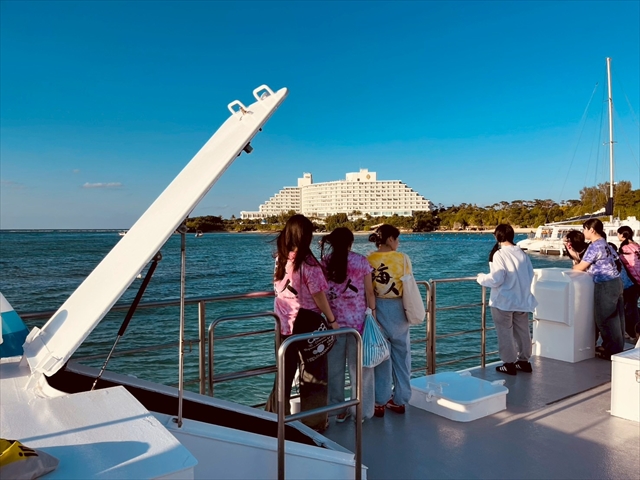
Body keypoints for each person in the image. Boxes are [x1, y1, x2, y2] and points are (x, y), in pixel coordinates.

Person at [264, 214, 338, 432]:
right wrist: (332, 320)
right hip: (307, 324)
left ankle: (277, 417)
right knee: (314, 375)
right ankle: (314, 423)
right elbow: (318, 295)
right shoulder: (308, 263)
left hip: (282, 323)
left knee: (284, 374)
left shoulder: (281, 258)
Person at [320, 227, 376, 422]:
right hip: (357, 325)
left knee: (334, 371)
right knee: (359, 371)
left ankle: (337, 410)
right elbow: (369, 292)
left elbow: (321, 292)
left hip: (333, 323)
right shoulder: (361, 261)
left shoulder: (325, 262)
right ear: (350, 243)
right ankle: (361, 412)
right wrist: (373, 315)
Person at [477, 224, 537, 375]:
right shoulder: (522, 254)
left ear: (497, 236)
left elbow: (497, 278)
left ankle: (509, 363)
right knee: (523, 332)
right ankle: (524, 361)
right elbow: (530, 275)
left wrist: (481, 278)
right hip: (522, 299)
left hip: (503, 301)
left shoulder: (499, 254)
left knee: (505, 333)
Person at [367, 224, 412, 417]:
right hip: (399, 308)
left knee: (381, 356)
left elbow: (368, 289)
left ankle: (379, 402)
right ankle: (401, 399)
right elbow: (408, 283)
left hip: (377, 308)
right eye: (397, 239)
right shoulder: (403, 258)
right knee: (402, 356)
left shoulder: (369, 259)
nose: (398, 243)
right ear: (391, 239)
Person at [569, 219, 624, 359]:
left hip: (605, 284)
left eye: (585, 229)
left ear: (591, 230)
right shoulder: (605, 244)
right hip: (616, 282)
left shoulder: (594, 246)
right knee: (616, 318)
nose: (583, 232)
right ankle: (617, 348)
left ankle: (610, 350)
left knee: (604, 319)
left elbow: (580, 267)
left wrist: (574, 265)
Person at [617, 226, 640, 340]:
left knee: (629, 308)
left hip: (632, 282)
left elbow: (629, 266)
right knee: (633, 306)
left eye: (618, 233)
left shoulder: (625, 248)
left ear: (623, 235)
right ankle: (634, 331)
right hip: (637, 282)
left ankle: (632, 332)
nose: (617, 236)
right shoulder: (636, 245)